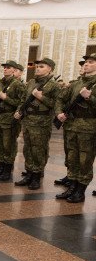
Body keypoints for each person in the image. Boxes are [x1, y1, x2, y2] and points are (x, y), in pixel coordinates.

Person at [54, 53, 96, 203]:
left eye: (91, 62)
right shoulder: (76, 83)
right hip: (71, 126)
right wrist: (59, 113)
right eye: (86, 62)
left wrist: (89, 97)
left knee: (85, 159)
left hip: (88, 128)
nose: (86, 64)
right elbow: (60, 98)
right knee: (72, 158)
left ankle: (80, 190)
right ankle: (71, 187)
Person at [14, 58, 60, 189]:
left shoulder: (54, 85)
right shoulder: (32, 82)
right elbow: (24, 99)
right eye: (37, 66)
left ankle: (36, 176)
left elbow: (57, 104)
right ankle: (29, 174)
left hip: (42, 123)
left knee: (38, 150)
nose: (38, 68)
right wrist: (19, 110)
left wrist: (41, 97)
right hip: (28, 120)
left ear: (50, 69)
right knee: (27, 149)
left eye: (41, 66)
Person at [0, 61, 26, 181]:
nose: (5, 69)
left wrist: (6, 98)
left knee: (8, 145)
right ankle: (1, 167)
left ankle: (7, 170)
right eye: (4, 68)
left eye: (8, 68)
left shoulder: (17, 84)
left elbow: (21, 102)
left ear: (14, 70)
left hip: (9, 119)